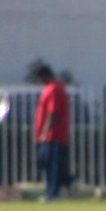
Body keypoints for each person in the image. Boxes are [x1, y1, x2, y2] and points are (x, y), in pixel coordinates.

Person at [31, 63, 73, 201]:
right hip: (52, 135)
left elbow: (53, 112)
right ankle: (66, 182)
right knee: (48, 163)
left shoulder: (53, 89)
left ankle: (53, 193)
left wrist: (45, 132)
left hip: (53, 135)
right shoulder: (53, 88)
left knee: (52, 165)